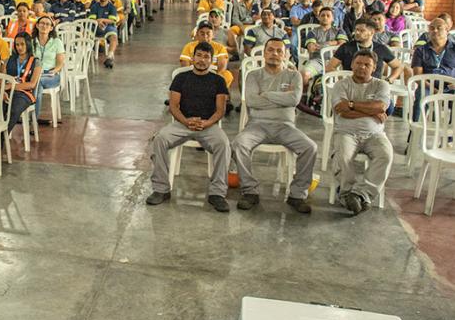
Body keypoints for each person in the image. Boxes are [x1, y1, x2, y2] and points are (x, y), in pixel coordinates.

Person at [232, 38, 317, 213]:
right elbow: (252, 101)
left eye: (279, 51)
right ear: (264, 53)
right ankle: (250, 191)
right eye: (270, 50)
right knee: (239, 144)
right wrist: (281, 98)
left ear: (285, 55)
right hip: (257, 125)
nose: (275, 54)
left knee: (310, 147)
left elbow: (294, 100)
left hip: (285, 126)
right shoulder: (253, 75)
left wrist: (266, 94)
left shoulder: (294, 76)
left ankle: (297, 195)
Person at [146, 42, 231, 212]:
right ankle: (161, 189)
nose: (202, 60)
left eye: (206, 57)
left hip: (208, 125)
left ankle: (217, 193)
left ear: (211, 61)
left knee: (224, 144)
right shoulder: (181, 78)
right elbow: (173, 106)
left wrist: (207, 123)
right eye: (199, 55)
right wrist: (186, 121)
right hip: (182, 123)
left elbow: (220, 110)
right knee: (159, 139)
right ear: (192, 58)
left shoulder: (218, 81)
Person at [331, 50, 393, 216]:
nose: (362, 67)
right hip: (346, 132)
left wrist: (351, 105)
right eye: (358, 63)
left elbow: (381, 106)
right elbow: (342, 111)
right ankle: (347, 193)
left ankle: (360, 195)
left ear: (374, 68)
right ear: (352, 64)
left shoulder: (381, 85)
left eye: (367, 65)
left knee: (386, 155)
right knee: (343, 157)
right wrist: (372, 112)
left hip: (375, 135)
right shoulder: (341, 85)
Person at [0, 33, 42, 163]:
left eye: (22, 44)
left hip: (24, 94)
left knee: (13, 110)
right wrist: (2, 90)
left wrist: (12, 87)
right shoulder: (9, 60)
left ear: (28, 44)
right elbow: (1, 79)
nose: (19, 47)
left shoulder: (36, 61)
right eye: (17, 44)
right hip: (7, 91)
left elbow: (32, 84)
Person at [327, 19, 402, 83]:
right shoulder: (346, 47)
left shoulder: (381, 48)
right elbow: (330, 67)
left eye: (361, 30)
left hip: (374, 87)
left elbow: (398, 66)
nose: (357, 33)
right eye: (356, 30)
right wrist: (342, 81)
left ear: (371, 32)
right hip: (351, 87)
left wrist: (389, 80)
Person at [299, 7, 347, 86]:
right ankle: (305, 93)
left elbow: (342, 46)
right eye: (323, 15)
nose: (325, 17)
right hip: (318, 61)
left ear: (333, 18)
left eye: (328, 16)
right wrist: (335, 42)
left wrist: (325, 44)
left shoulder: (339, 31)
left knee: (346, 80)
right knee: (304, 75)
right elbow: (311, 48)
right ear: (318, 17)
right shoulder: (312, 32)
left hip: (336, 62)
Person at [180, 22, 233, 91]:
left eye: (208, 33)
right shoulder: (189, 46)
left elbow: (222, 67)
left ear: (213, 35)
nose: (205, 36)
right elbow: (185, 66)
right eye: (202, 33)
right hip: (194, 74)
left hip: (214, 76)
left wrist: (211, 80)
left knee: (227, 75)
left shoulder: (220, 47)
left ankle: (219, 94)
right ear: (197, 34)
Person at [32, 16, 65, 124]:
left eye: (47, 24)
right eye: (42, 23)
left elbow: (60, 63)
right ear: (37, 25)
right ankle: (33, 119)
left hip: (51, 75)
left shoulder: (56, 42)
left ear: (51, 28)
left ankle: (33, 119)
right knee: (37, 83)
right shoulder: (32, 42)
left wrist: (54, 71)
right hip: (35, 74)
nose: (44, 26)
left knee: (37, 82)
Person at [89, 0, 119, 68]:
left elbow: (112, 20)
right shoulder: (94, 6)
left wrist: (101, 20)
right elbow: (91, 19)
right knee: (85, 32)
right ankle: (83, 54)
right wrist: (98, 22)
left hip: (108, 26)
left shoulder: (112, 7)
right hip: (95, 27)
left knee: (114, 37)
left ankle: (109, 57)